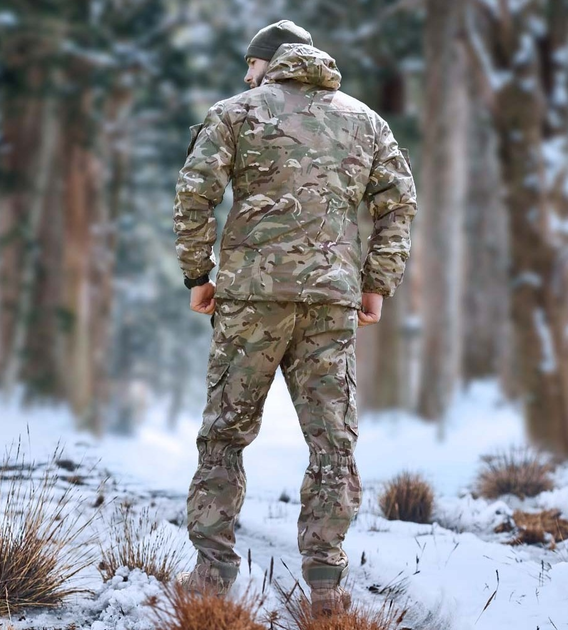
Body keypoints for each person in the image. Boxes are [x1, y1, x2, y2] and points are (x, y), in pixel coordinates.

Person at [172, 19, 417, 617]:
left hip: (250, 302)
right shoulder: (365, 120)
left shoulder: (235, 112)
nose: (246, 76)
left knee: (226, 433)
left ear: (264, 63)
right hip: (331, 303)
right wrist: (376, 285)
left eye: (249, 66)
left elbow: (193, 193)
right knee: (332, 442)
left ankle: (211, 573)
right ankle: (328, 586)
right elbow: (398, 204)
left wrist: (198, 276)